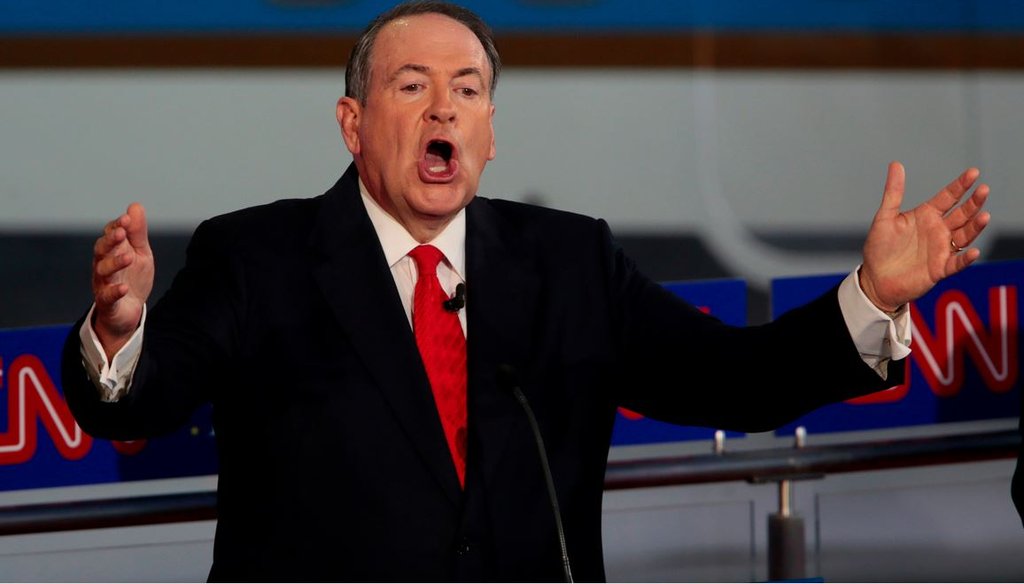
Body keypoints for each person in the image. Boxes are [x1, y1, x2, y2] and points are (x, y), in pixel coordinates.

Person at [61, 1, 991, 581]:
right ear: (352, 122)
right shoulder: (257, 256)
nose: (443, 110)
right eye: (413, 85)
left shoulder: (569, 263)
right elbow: (137, 397)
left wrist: (872, 292)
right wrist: (119, 326)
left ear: (491, 131)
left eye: (467, 91)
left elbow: (736, 383)